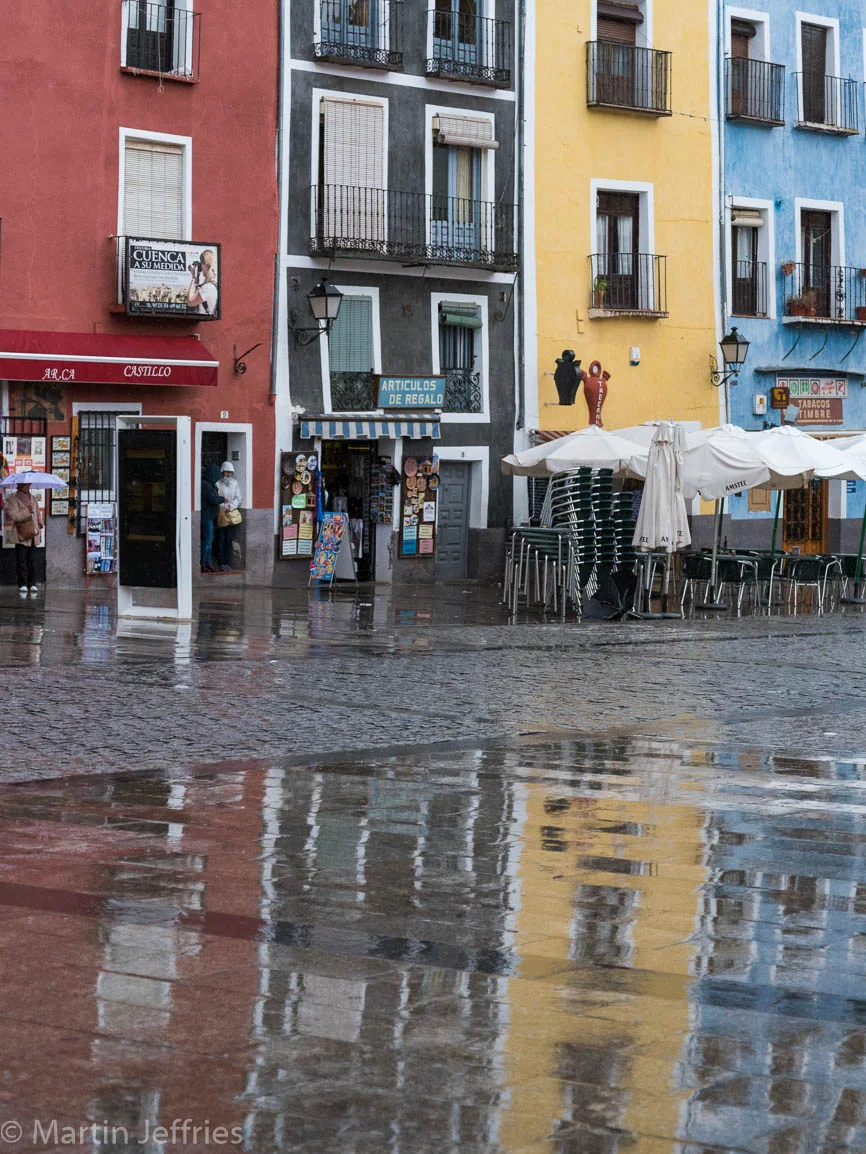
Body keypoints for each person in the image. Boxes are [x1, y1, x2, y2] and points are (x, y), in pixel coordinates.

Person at [5, 482, 43, 595]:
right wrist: (27, 510)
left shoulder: (33, 498)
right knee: (21, 560)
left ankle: (32, 583)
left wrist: (40, 523)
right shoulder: (13, 499)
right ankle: (22, 583)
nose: (28, 486)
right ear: (20, 485)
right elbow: (14, 516)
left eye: (29, 484)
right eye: (26, 484)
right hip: (21, 533)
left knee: (32, 560)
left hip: (33, 533)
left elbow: (37, 512)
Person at [215, 461, 242, 572]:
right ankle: (220, 562)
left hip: (231, 513)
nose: (228, 475)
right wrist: (223, 506)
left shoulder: (235, 483)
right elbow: (216, 498)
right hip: (221, 514)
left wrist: (230, 507)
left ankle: (228, 562)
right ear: (222, 472)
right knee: (221, 538)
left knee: (229, 539)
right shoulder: (217, 484)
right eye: (227, 472)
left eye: (230, 473)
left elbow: (238, 498)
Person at [200, 463, 222, 573]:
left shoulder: (212, 485)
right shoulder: (205, 485)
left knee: (210, 541)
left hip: (211, 516)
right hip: (206, 516)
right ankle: (203, 563)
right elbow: (213, 499)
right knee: (207, 541)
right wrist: (223, 499)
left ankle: (208, 563)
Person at [187, 249, 218, 316]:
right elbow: (196, 294)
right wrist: (197, 278)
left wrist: (193, 278)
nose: (200, 266)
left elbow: (190, 301)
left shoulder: (208, 287)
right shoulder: (212, 284)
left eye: (201, 263)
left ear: (205, 265)